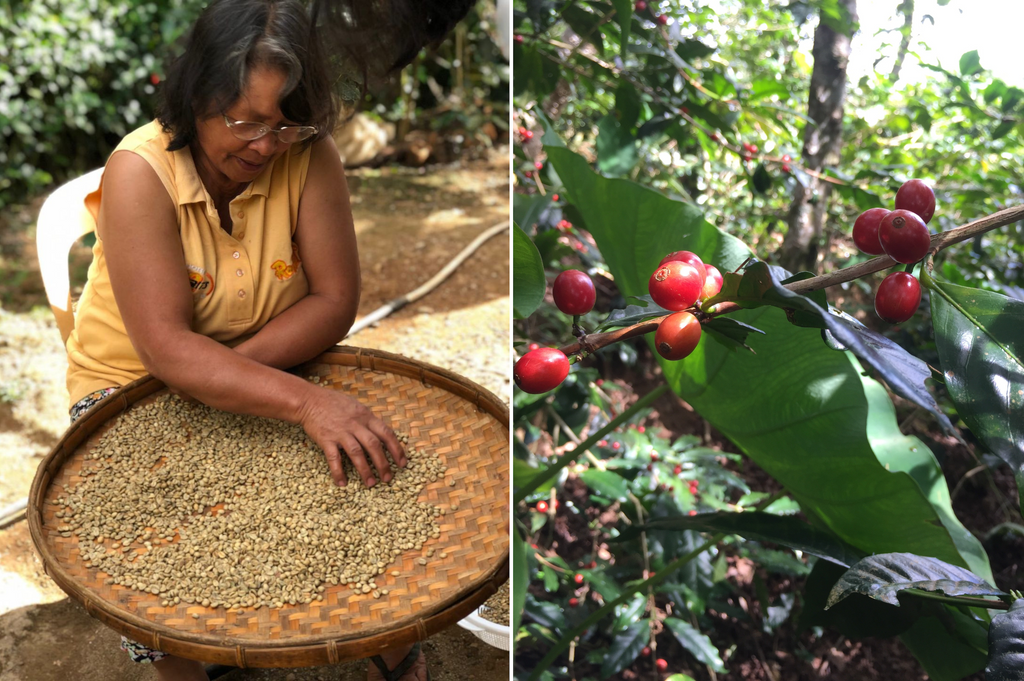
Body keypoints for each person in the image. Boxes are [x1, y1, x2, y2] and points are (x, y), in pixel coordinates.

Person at [64, 1, 472, 679]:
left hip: (266, 357)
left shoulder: (308, 156)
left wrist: (227, 383)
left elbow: (334, 299)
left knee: (369, 466)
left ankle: (394, 649)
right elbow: (166, 349)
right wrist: (301, 403)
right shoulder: (140, 173)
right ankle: (191, 663)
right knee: (150, 551)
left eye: (284, 124)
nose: (263, 145)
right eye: (244, 121)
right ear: (195, 99)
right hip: (129, 390)